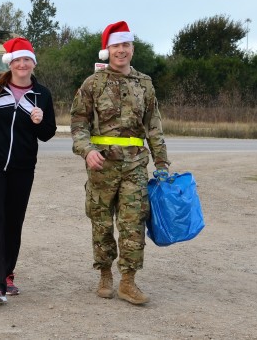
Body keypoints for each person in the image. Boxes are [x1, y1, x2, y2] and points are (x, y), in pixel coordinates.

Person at [70, 21, 170, 305]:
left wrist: (161, 162)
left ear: (132, 49)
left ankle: (128, 281)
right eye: (116, 46)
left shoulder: (145, 84)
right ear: (108, 50)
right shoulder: (93, 84)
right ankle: (104, 274)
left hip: (136, 166)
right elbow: (78, 123)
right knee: (101, 222)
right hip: (102, 165)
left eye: (126, 45)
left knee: (133, 223)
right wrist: (86, 150)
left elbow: (154, 125)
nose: (121, 51)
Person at [0, 37, 57, 304]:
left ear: (33, 63)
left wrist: (39, 122)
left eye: (27, 59)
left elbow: (48, 134)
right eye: (18, 60)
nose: (22, 64)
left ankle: (7, 274)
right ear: (10, 63)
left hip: (23, 166)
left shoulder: (42, 95)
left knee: (14, 220)